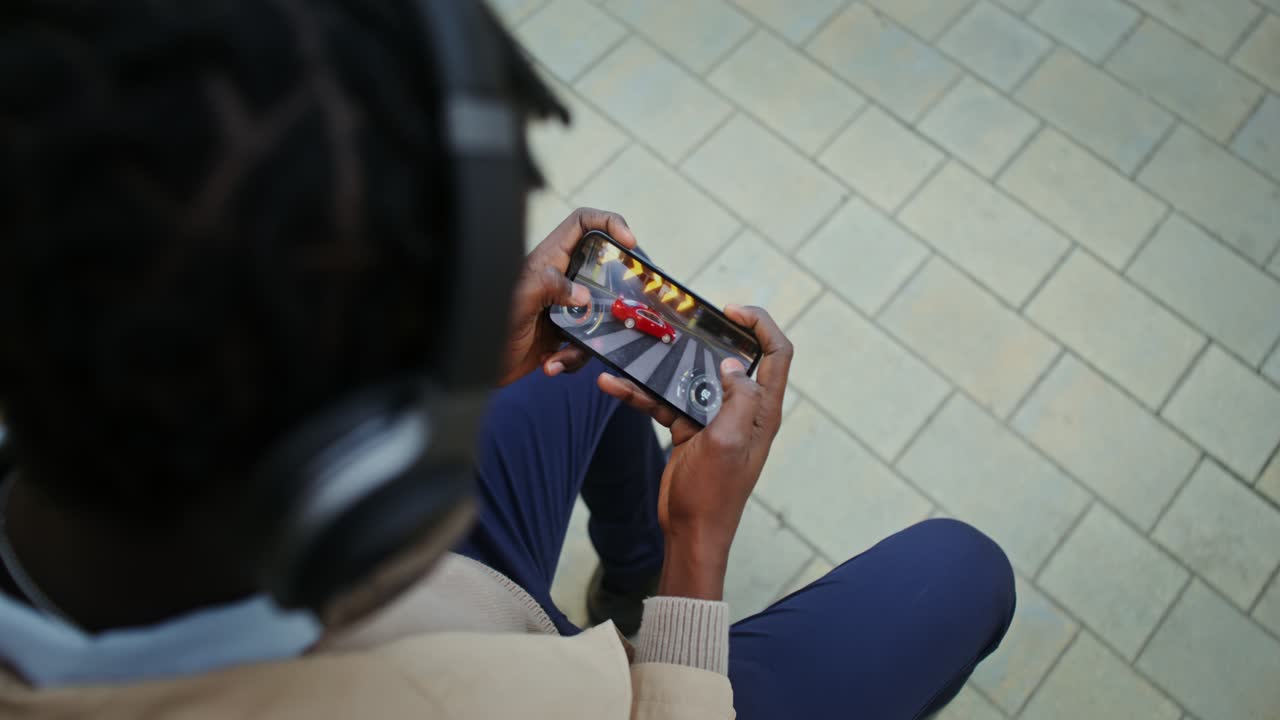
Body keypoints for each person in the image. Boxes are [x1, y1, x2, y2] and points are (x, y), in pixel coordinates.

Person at [0, 1, 1015, 718]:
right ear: (361, 478)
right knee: (962, 573)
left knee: (591, 328)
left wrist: (447, 362)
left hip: (356, 573)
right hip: (510, 655)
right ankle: (636, 583)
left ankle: (618, 570)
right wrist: (691, 554)